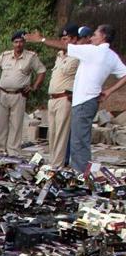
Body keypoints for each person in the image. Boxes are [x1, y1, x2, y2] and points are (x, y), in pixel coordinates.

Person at [25, 24, 126, 172]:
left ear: (103, 36)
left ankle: (80, 175)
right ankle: (81, 172)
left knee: (78, 141)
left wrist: (41, 39)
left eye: (95, 34)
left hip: (84, 101)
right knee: (80, 139)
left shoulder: (93, 51)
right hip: (89, 101)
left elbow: (64, 46)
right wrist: (109, 91)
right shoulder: (112, 55)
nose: (91, 38)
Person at [0, 31, 46, 156]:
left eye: (21, 42)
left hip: (19, 95)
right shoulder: (5, 56)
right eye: (16, 42)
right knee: (2, 123)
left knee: (16, 124)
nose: (18, 44)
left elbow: (42, 71)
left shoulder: (30, 57)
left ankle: (13, 151)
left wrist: (34, 87)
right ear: (12, 43)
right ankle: (1, 150)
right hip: (3, 94)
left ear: (24, 43)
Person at [45, 24, 79, 168]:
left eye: (66, 39)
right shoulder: (60, 55)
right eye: (62, 39)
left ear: (74, 39)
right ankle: (53, 162)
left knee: (61, 134)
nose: (63, 42)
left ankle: (57, 165)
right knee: (52, 133)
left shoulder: (77, 55)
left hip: (65, 98)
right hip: (52, 98)